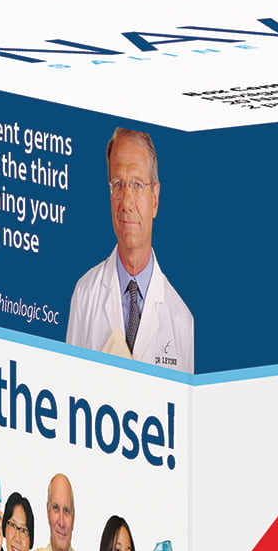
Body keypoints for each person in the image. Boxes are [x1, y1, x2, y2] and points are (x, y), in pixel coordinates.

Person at [65, 128, 193, 370]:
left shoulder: (183, 322)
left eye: (137, 184)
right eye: (118, 184)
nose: (125, 202)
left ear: (155, 198)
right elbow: (68, 386)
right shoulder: (84, 294)